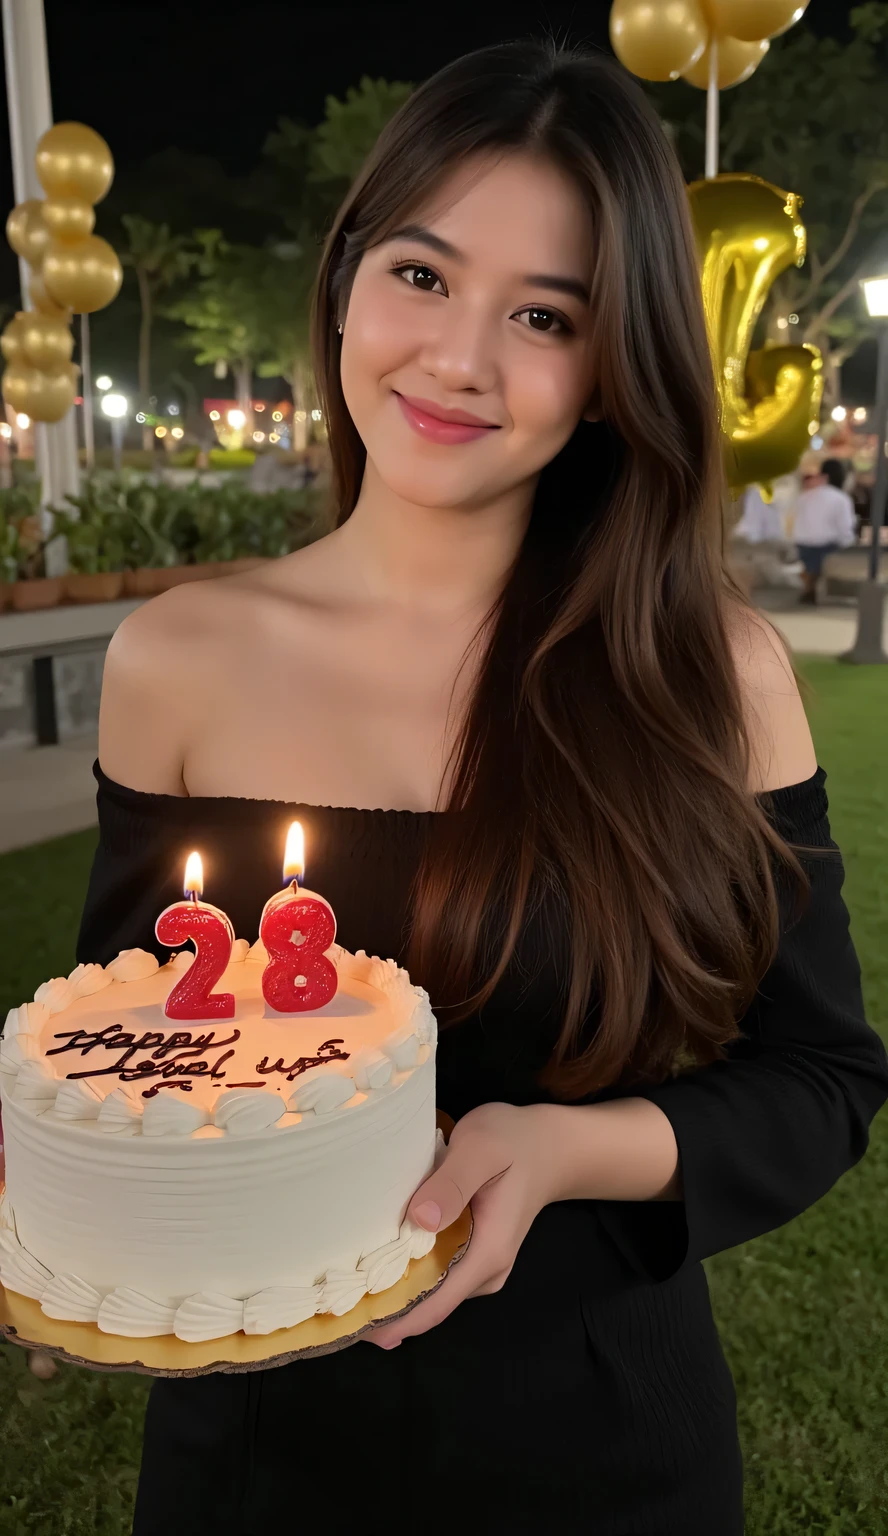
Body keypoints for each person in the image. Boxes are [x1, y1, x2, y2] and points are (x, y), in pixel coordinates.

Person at [76, 41, 888, 1536]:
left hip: (606, 1444)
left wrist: (561, 1145)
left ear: (608, 371)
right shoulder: (177, 660)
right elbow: (131, 1040)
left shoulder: (715, 674)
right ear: (344, 284)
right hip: (254, 1453)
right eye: (423, 275)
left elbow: (820, 1083)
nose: (458, 358)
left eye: (543, 316)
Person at [792, 458, 857, 604]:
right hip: (826, 546)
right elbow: (845, 530)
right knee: (824, 558)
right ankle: (812, 584)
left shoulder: (805, 496)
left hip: (802, 544)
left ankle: (809, 584)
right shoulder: (841, 498)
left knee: (813, 562)